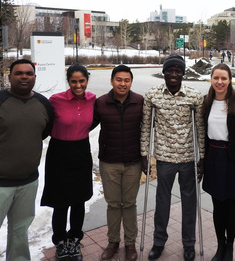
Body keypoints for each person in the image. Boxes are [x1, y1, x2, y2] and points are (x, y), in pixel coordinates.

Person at [0, 59, 54, 261]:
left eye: (28, 73)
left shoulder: (43, 104)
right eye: (18, 73)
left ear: (35, 77)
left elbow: (42, 132)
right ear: (9, 77)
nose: (24, 76)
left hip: (27, 183)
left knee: (19, 232)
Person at [140, 53, 205, 261]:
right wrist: (144, 154)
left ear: (183, 73)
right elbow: (145, 128)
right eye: (170, 70)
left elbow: (200, 129)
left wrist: (201, 157)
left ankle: (189, 244)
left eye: (178, 71)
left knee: (189, 204)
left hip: (187, 159)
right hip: (164, 158)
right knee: (162, 203)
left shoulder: (194, 96)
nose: (174, 74)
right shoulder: (153, 95)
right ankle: (159, 242)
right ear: (164, 72)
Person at [40, 63, 96, 260]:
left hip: (81, 152)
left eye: (82, 81)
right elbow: (43, 123)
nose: (78, 85)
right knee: (61, 201)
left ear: (87, 81)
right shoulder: (55, 100)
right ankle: (61, 242)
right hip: (59, 153)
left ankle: (74, 239)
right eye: (74, 81)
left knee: (79, 200)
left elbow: (94, 120)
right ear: (69, 82)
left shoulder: (92, 99)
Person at [94, 65, 144, 261]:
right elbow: (85, 125)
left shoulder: (139, 101)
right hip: (110, 162)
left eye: (127, 80)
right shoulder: (101, 103)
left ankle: (130, 244)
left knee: (129, 204)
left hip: (133, 161)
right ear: (112, 81)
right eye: (119, 80)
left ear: (131, 82)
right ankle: (113, 242)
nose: (122, 84)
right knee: (113, 204)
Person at [202, 63, 235, 261]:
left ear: (230, 80)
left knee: (231, 205)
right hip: (214, 157)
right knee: (217, 205)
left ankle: (230, 247)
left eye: (224, 78)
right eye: (216, 78)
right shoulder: (206, 102)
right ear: (211, 79)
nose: (220, 82)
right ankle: (220, 245)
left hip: (233, 158)